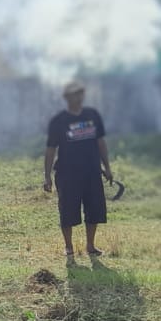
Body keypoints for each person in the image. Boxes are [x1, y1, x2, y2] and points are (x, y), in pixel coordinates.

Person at [43, 81, 114, 263]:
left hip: (91, 172)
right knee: (67, 210)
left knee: (95, 208)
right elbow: (51, 149)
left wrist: (107, 167)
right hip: (67, 174)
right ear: (67, 98)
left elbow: (100, 143)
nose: (79, 97)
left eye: (81, 93)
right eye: (74, 94)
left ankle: (90, 245)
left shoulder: (92, 115)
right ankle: (69, 247)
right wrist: (47, 176)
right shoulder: (59, 121)